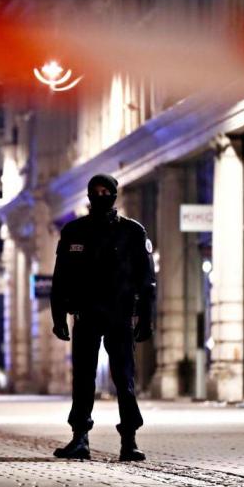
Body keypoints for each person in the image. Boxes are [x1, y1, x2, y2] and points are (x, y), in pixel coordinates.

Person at [50, 173, 156, 462]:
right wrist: (58, 315)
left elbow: (147, 280)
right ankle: (79, 437)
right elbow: (60, 278)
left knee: (125, 378)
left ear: (113, 194)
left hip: (119, 315)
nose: (99, 196)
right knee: (82, 379)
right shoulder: (74, 231)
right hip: (85, 315)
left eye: (105, 191)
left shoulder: (133, 232)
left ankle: (129, 440)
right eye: (94, 191)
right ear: (88, 195)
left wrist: (146, 318)